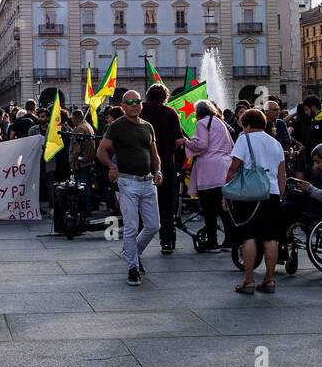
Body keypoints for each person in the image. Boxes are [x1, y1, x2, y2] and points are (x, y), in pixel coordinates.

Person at [96, 90, 162, 286]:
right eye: (130, 102)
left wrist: (158, 171)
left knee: (153, 226)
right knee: (132, 227)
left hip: (148, 181)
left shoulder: (148, 127)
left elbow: (154, 155)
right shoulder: (116, 126)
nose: (135, 105)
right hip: (127, 182)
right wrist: (112, 166)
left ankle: (132, 252)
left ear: (141, 105)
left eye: (138, 102)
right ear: (123, 106)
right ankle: (132, 268)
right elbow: (101, 151)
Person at [223, 108, 288, 294]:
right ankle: (269, 280)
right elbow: (282, 174)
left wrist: (225, 192)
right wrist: (280, 195)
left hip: (250, 194)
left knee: (249, 236)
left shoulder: (244, 139)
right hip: (272, 193)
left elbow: (233, 168)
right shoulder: (275, 143)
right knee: (270, 238)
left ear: (248, 125)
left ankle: (249, 280)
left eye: (244, 126)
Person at [183, 99, 233, 253]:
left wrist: (186, 142)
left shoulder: (202, 123)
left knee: (209, 209)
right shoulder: (220, 122)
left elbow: (201, 145)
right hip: (224, 168)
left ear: (199, 112)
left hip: (209, 170)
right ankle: (230, 240)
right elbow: (230, 145)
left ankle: (212, 242)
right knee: (224, 208)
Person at [140, 84, 185, 254]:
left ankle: (135, 244)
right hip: (165, 165)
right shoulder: (170, 113)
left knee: (138, 206)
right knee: (166, 205)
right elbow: (178, 140)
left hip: (142, 165)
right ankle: (167, 242)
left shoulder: (140, 111)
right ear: (165, 97)